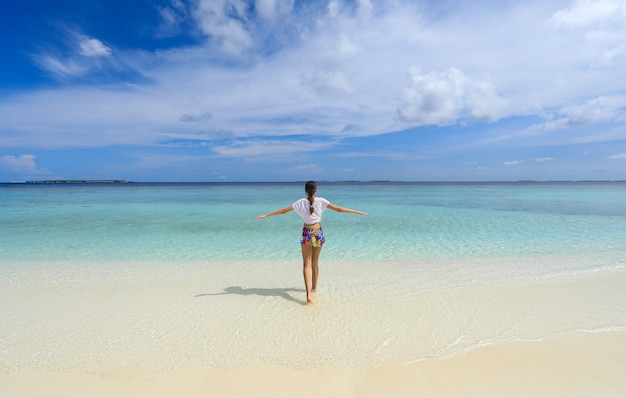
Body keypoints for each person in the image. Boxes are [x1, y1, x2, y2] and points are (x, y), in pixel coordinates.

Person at [256, 181, 367, 304]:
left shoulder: (300, 202)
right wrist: (356, 211)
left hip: (307, 233)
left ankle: (309, 294)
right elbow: (339, 209)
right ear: (316, 190)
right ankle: (314, 288)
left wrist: (266, 215)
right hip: (317, 232)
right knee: (315, 263)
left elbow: (284, 210)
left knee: (306, 264)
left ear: (305, 191)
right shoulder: (321, 201)